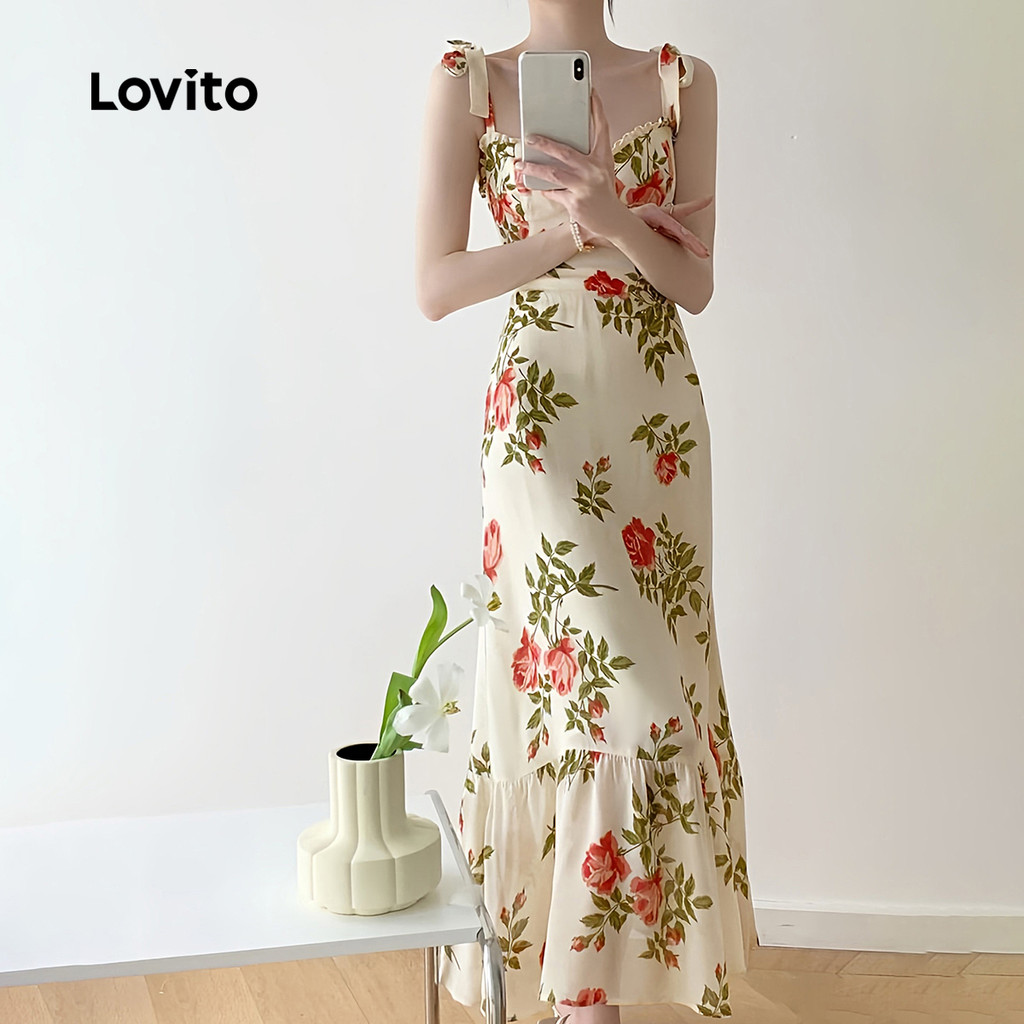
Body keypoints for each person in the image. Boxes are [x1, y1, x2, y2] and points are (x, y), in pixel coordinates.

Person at [415, 2, 759, 1021]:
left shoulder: (682, 82)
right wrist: (575, 229)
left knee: (637, 693)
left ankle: (592, 992)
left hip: (655, 421)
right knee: (605, 694)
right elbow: (434, 284)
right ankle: (582, 1003)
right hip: (538, 421)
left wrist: (616, 218)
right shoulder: (468, 81)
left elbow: (692, 283)